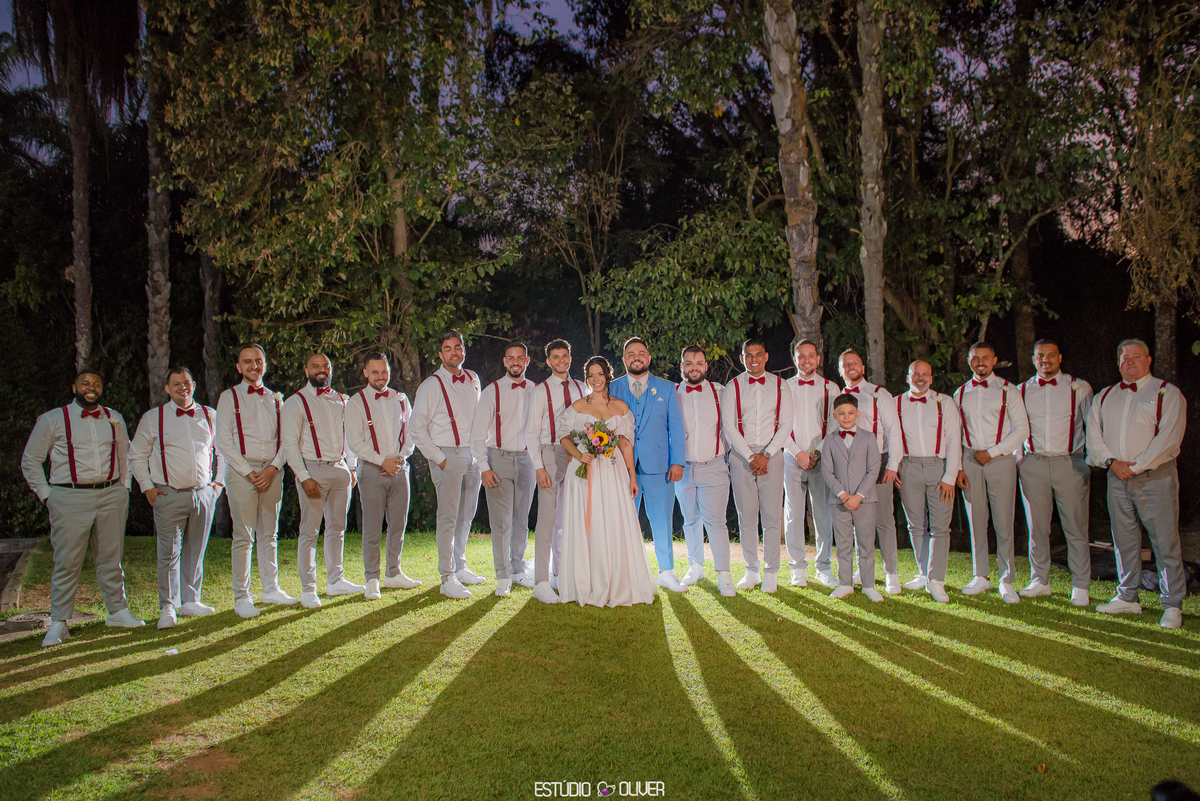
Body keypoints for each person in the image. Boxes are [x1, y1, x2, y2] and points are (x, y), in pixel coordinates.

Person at [21, 367, 142, 647]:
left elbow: (126, 455)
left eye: (96, 383)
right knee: (67, 561)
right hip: (69, 497)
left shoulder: (114, 418)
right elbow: (31, 460)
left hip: (110, 495)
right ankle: (59, 622)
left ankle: (117, 611)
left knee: (111, 557)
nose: (91, 387)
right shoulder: (53, 419)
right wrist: (48, 496)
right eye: (85, 383)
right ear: (74, 388)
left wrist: (124, 487)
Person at [1086, 338, 1187, 629]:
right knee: (1124, 541)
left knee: (1165, 541)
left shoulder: (1167, 393)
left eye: (1136, 357)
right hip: (1116, 477)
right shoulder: (1105, 396)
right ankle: (1128, 596)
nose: (1130, 362)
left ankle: (1172, 604)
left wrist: (1136, 466)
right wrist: (1111, 462)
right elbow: (1093, 435)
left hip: (1155, 477)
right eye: (1125, 358)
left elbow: (1169, 438)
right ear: (1118, 362)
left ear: (1148, 360)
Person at [129, 367, 225, 630]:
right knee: (169, 553)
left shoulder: (209, 415)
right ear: (167, 389)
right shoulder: (154, 418)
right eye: (176, 384)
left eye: (186, 382)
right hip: (168, 494)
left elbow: (223, 451)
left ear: (193, 385)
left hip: (203, 494)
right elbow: (136, 455)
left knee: (196, 550)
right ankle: (168, 606)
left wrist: (218, 484)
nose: (183, 387)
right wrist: (147, 487)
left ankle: (191, 600)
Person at [557, 357, 657, 607]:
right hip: (584, 472)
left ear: (608, 375)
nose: (596, 379)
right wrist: (579, 454)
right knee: (587, 524)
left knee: (611, 520)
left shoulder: (621, 408)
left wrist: (632, 477)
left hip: (612, 473)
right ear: (586, 378)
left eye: (600, 374)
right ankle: (585, 582)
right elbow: (563, 436)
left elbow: (626, 445)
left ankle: (615, 581)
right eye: (591, 375)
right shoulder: (577, 407)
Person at [216, 344, 296, 619]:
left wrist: (274, 468)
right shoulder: (229, 397)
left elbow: (287, 439)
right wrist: (248, 472)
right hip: (242, 472)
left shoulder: (276, 399)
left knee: (270, 534)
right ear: (239, 367)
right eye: (248, 361)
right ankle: (242, 597)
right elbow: (224, 440)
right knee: (244, 536)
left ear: (265, 365)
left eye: (258, 361)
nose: (254, 366)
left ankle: (270, 589)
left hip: (272, 471)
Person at [281, 353, 363, 609]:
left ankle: (336, 580)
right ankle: (308, 589)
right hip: (312, 469)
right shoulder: (296, 402)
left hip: (340, 469)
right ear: (307, 371)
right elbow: (289, 444)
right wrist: (303, 476)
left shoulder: (341, 400)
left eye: (326, 366)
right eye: (315, 366)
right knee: (309, 531)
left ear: (331, 370)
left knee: (337, 528)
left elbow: (349, 436)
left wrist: (352, 467)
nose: (321, 370)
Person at [1017, 339, 1094, 605]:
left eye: (1051, 355)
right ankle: (1040, 580)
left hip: (1070, 463)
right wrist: (1019, 460)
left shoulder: (1079, 387)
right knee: (1037, 527)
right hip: (1033, 463)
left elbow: (1092, 425)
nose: (1045, 360)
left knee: (1076, 527)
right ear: (1033, 359)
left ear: (1060, 358)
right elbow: (1015, 428)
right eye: (1040, 356)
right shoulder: (1021, 390)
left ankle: (1080, 585)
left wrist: (1088, 461)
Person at [410, 330, 486, 599]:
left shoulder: (473, 379)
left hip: (472, 455)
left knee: (466, 515)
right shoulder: (431, 385)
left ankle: (460, 566)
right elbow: (416, 428)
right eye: (448, 348)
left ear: (463, 350)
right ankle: (447, 577)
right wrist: (439, 458)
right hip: (447, 455)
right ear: (441, 354)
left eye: (458, 347)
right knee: (448, 517)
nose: (454, 352)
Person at [608, 337, 688, 592]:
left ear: (649, 358)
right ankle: (624, 572)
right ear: (624, 360)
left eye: (641, 353)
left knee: (662, 519)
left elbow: (676, 428)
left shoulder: (667, 388)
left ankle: (666, 571)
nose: (637, 357)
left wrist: (677, 462)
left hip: (659, 465)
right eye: (631, 354)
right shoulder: (612, 388)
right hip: (621, 467)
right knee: (623, 519)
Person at [953, 342, 1029, 604]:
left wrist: (993, 452)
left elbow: (1022, 429)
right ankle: (980, 575)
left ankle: (1006, 580)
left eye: (985, 358)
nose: (980, 362)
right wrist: (958, 466)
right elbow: (955, 434)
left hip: (1000, 459)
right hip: (970, 459)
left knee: (1004, 520)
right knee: (976, 519)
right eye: (976, 358)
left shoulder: (1008, 390)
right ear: (969, 361)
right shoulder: (960, 393)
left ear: (994, 360)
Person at [345, 351, 420, 601]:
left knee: (398, 524)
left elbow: (411, 433)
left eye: (384, 371)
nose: (380, 376)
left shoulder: (400, 399)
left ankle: (394, 572)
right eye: (375, 372)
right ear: (365, 373)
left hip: (399, 468)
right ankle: (372, 579)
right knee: (372, 527)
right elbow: (355, 442)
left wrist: (399, 458)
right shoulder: (356, 402)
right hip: (371, 469)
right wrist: (382, 461)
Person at [722, 338, 794, 593]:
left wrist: (767, 454)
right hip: (742, 456)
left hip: (771, 453)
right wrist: (750, 457)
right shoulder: (733, 386)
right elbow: (729, 425)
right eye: (748, 355)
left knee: (772, 515)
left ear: (766, 356)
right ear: (742, 358)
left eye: (758, 354)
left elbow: (786, 424)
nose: (754, 359)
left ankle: (771, 571)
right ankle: (751, 569)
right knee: (746, 515)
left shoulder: (781, 385)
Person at [471, 342, 537, 597]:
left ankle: (519, 569)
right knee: (501, 522)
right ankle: (503, 576)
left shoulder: (535, 390)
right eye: (511, 358)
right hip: (498, 458)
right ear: (505, 361)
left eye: (520, 357)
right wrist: (484, 467)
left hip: (527, 459)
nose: (515, 362)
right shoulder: (492, 391)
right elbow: (477, 434)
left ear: (527, 361)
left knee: (522, 518)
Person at [525, 339, 588, 603]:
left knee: (567, 518)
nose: (561, 360)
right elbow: (531, 432)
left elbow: (585, 422)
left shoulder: (581, 387)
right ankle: (540, 581)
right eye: (556, 356)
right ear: (548, 361)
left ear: (570, 358)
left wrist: (580, 450)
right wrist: (539, 467)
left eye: (565, 355)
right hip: (550, 452)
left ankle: (559, 574)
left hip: (575, 455)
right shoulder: (541, 391)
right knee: (547, 520)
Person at [838, 348, 904, 594]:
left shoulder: (879, 394)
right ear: (841, 370)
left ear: (863, 368)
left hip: (877, 462)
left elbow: (894, 431)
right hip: (849, 465)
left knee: (884, 520)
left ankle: (891, 573)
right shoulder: (837, 396)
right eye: (846, 364)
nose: (851, 367)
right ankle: (862, 570)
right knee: (858, 521)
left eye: (855, 363)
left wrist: (893, 465)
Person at [895, 361, 961, 603]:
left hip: (938, 467)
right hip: (908, 466)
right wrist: (894, 467)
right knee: (915, 525)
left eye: (925, 374)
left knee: (941, 527)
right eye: (915, 374)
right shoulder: (896, 403)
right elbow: (892, 438)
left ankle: (936, 580)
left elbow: (954, 441)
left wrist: (950, 477)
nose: (920, 378)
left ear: (931, 378)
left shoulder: (945, 403)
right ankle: (924, 574)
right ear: (908, 377)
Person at [674, 346, 734, 596]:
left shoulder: (720, 392)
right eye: (689, 363)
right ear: (682, 367)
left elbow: (730, 428)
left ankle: (724, 574)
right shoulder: (674, 393)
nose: (694, 367)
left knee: (716, 521)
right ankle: (696, 566)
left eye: (699, 362)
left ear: (706, 366)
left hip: (714, 466)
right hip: (683, 468)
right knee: (690, 519)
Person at [783, 339, 840, 588]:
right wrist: (798, 452)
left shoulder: (831, 388)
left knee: (823, 513)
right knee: (793, 513)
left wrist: (816, 452)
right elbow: (779, 425)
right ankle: (797, 567)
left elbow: (836, 425)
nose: (806, 360)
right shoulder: (784, 387)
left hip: (821, 457)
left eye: (810, 356)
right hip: (792, 456)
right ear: (795, 359)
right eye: (801, 356)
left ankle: (823, 566)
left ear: (818, 359)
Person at [821, 394, 884, 602]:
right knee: (843, 543)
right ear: (834, 415)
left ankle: (868, 585)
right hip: (839, 501)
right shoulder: (829, 440)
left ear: (857, 414)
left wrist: (858, 496)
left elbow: (873, 470)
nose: (846, 417)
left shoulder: (868, 438)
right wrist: (843, 494)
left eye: (850, 413)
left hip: (865, 500)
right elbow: (827, 471)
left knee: (866, 543)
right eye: (841, 414)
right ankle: (845, 584)